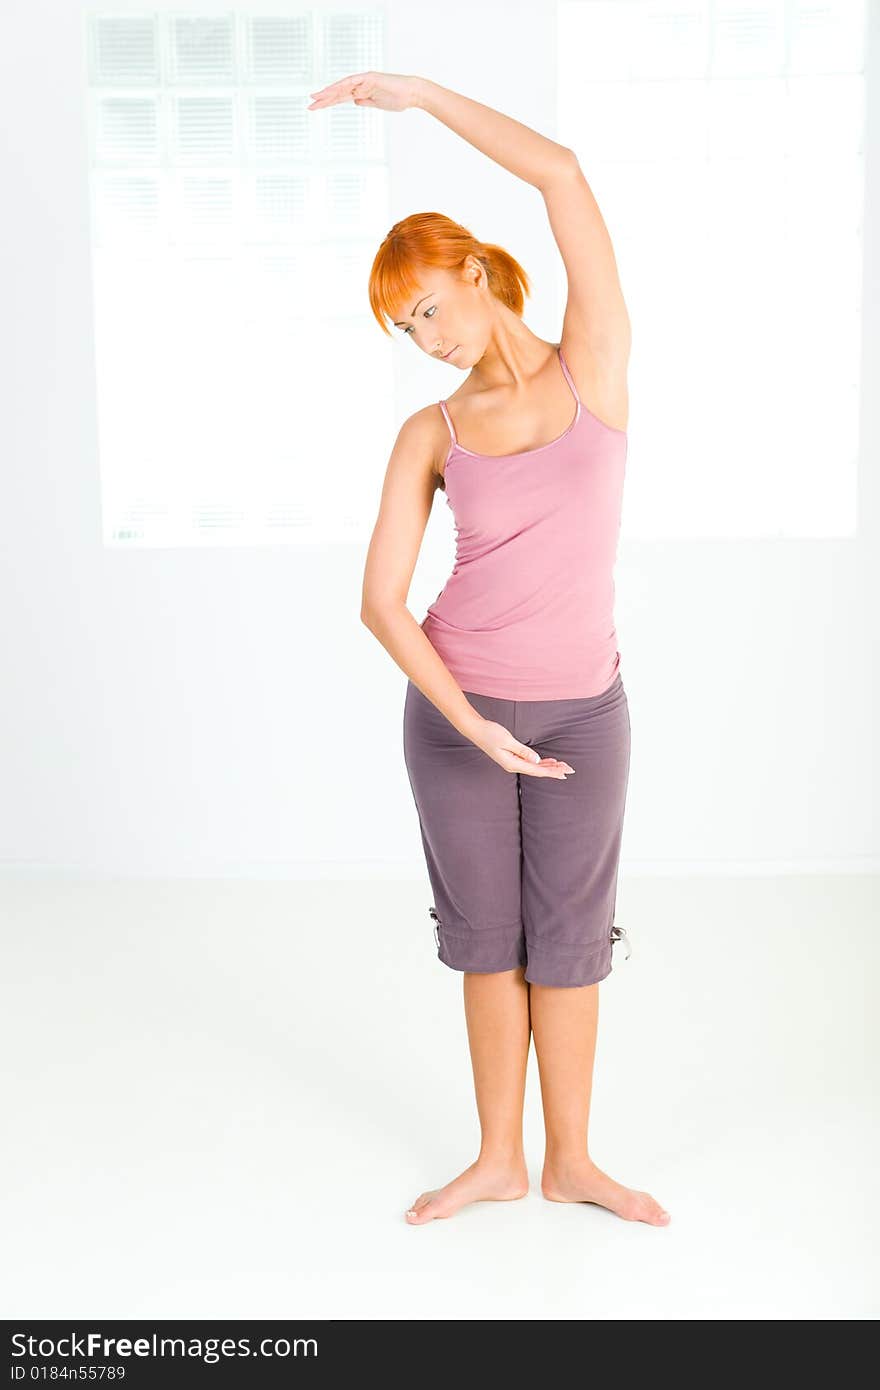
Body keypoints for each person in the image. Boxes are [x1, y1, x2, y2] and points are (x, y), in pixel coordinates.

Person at [308, 72, 670, 1228]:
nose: (423, 337)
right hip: (459, 717)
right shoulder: (433, 428)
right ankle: (497, 1159)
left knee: (572, 946)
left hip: (584, 714)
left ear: (471, 268)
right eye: (403, 327)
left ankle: (572, 1159)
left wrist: (418, 98)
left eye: (425, 305)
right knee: (487, 946)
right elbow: (380, 600)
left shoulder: (591, 365)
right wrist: (470, 724)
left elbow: (563, 172)